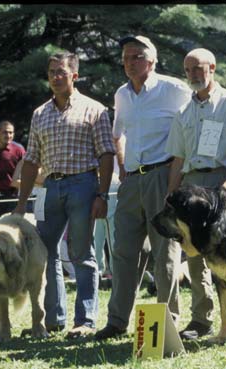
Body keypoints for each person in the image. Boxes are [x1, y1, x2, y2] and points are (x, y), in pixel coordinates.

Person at [94, 35, 192, 341]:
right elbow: (117, 133)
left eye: (135, 56)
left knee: (165, 252)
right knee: (122, 251)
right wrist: (123, 164)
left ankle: (168, 320)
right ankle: (117, 321)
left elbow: (191, 128)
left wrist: (178, 178)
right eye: (125, 57)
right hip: (131, 181)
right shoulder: (122, 94)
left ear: (151, 61)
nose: (128, 62)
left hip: (163, 176)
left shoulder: (174, 89)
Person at [13, 50, 115, 338]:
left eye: (61, 72)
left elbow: (106, 154)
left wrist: (102, 195)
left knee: (81, 254)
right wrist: (22, 204)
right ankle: (53, 319)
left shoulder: (94, 109)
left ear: (75, 75)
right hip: (50, 188)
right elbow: (31, 160)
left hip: (84, 185)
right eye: (51, 73)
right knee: (46, 255)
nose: (56, 77)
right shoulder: (39, 114)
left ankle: (85, 321)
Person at [166, 47, 226, 340]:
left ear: (212, 68)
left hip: (223, 184)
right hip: (192, 186)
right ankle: (200, 321)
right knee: (194, 256)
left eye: (198, 68)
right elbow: (178, 159)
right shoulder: (183, 112)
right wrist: (171, 199)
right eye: (188, 69)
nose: (193, 74)